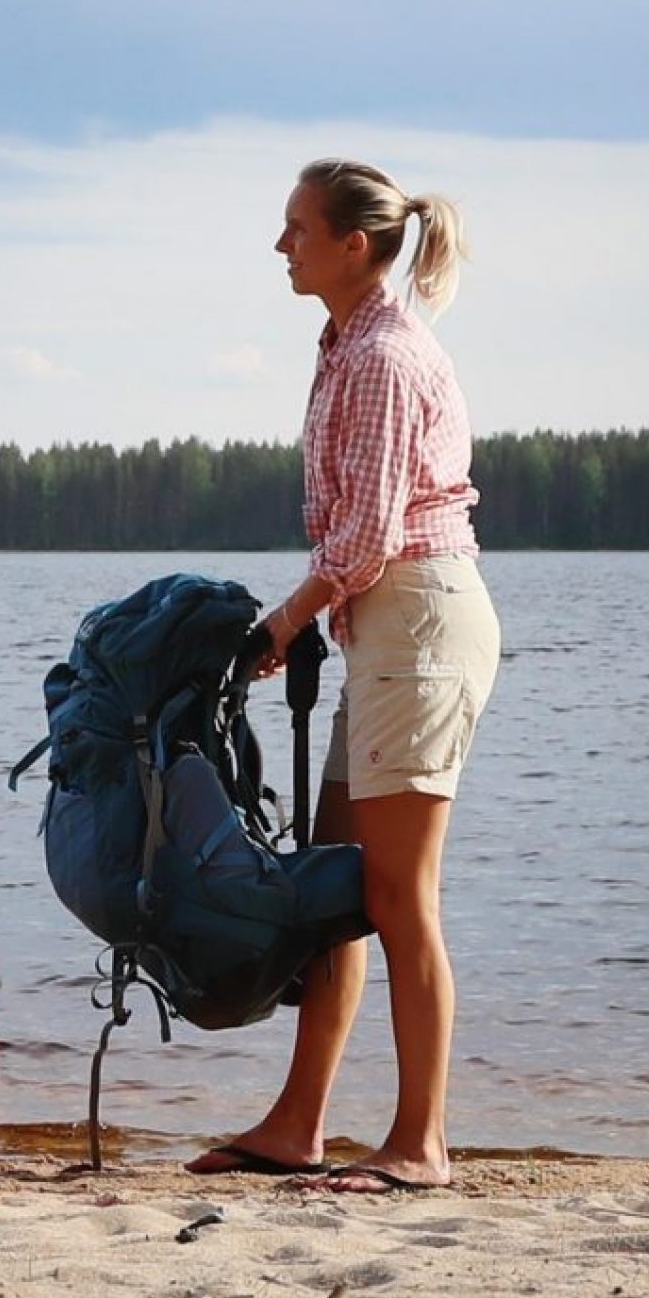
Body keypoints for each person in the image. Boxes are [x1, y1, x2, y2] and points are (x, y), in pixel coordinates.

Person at [187, 160, 501, 1193]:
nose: (282, 247)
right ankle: (299, 1122)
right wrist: (317, 623)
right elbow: (357, 539)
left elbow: (365, 535)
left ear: (352, 245)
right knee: (335, 886)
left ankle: (422, 1142)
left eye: (296, 229)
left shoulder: (380, 358)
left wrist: (285, 620)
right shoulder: (347, 346)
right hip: (385, 624)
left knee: (401, 894)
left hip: (418, 619)